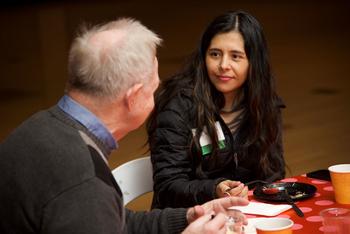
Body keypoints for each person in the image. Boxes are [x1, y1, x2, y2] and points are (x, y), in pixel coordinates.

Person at [0, 18, 248, 233]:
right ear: (134, 97)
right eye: (154, 88)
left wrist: (186, 218)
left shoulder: (38, 127)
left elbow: (110, 222)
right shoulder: (83, 181)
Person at [147, 10, 286, 209]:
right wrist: (215, 189)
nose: (223, 65)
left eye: (236, 56)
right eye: (215, 54)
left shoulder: (265, 105)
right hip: (186, 221)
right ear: (203, 56)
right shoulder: (178, 106)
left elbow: (273, 175)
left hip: (245, 216)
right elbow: (168, 186)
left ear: (254, 63)